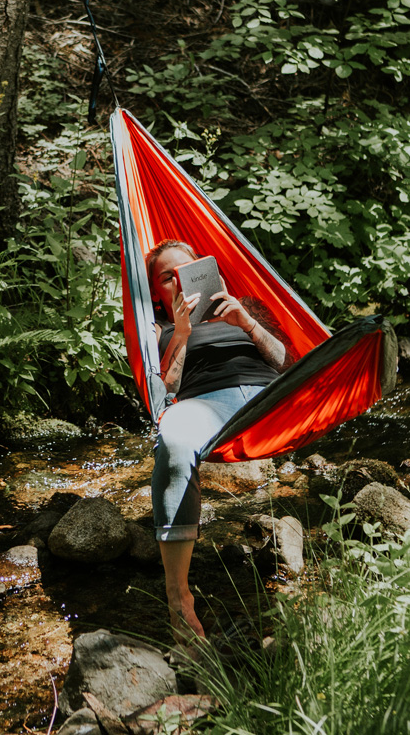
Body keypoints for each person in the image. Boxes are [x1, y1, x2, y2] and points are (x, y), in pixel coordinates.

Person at [144, 239, 291, 643]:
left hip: (271, 398)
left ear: (205, 272)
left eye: (186, 270)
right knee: (172, 440)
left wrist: (247, 322)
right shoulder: (161, 329)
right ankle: (179, 596)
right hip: (208, 403)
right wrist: (184, 333)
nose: (178, 281)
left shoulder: (242, 307)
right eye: (166, 278)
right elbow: (167, 390)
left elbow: (285, 361)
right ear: (158, 293)